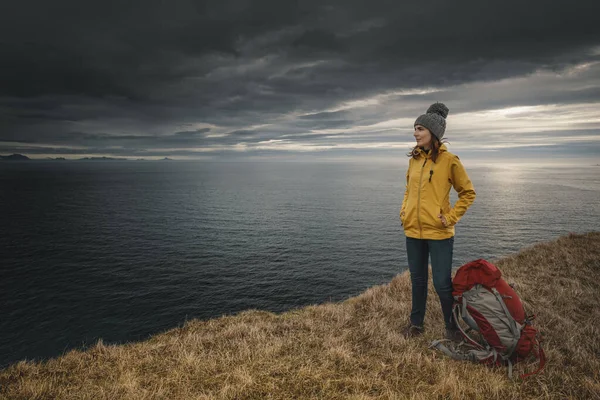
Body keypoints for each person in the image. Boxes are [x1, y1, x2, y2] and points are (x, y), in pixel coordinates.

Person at [399, 102, 476, 340]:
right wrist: (404, 212)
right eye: (415, 128)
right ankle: (416, 324)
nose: (415, 133)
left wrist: (451, 217)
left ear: (433, 133)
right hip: (413, 231)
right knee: (418, 280)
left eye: (420, 128)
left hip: (440, 233)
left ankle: (452, 328)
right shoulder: (414, 159)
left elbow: (468, 193)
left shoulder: (449, 161)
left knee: (442, 284)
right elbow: (408, 190)